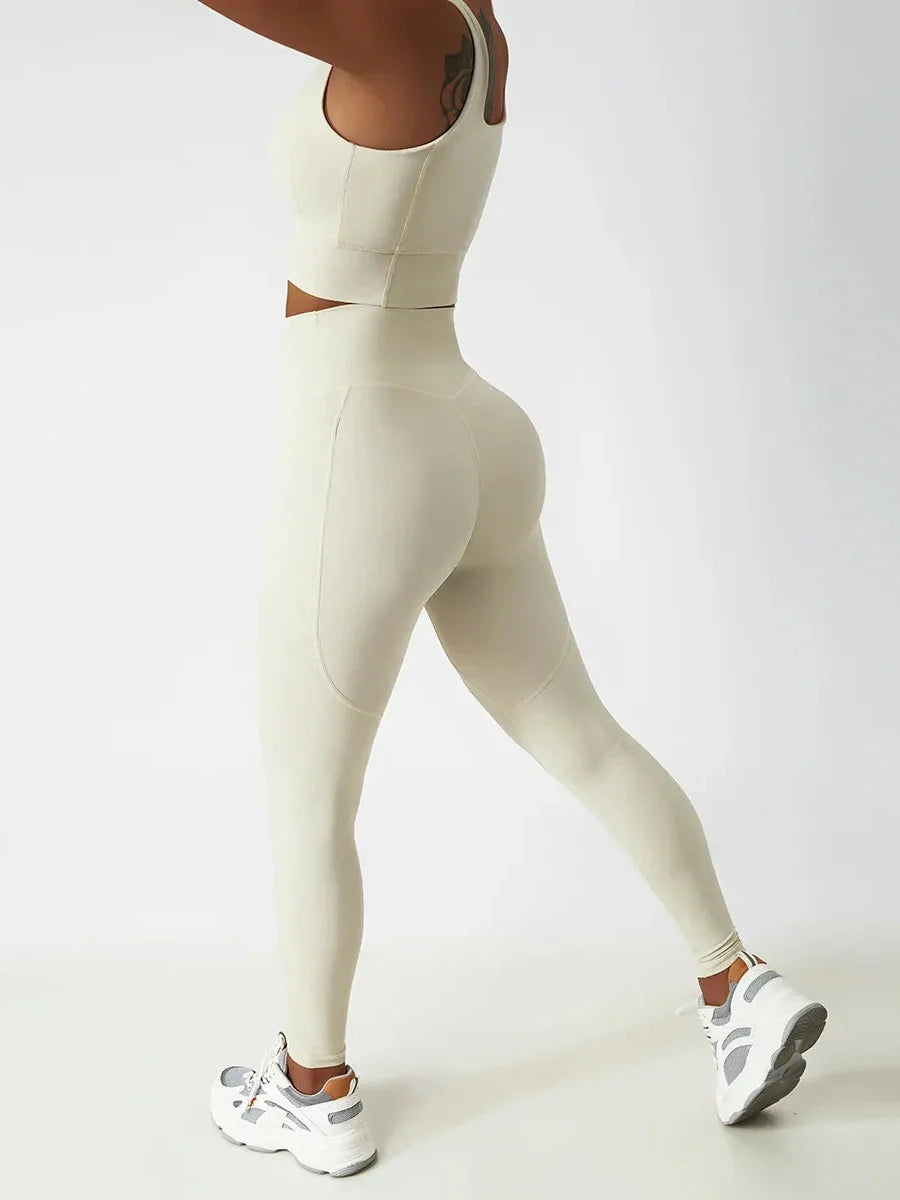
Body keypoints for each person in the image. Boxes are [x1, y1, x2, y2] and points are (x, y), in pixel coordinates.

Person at [197, 0, 827, 1176]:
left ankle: (312, 1089)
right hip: (472, 430)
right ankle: (736, 982)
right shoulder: (475, 20)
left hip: (368, 443)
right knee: (581, 734)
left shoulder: (392, 25)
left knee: (308, 797)